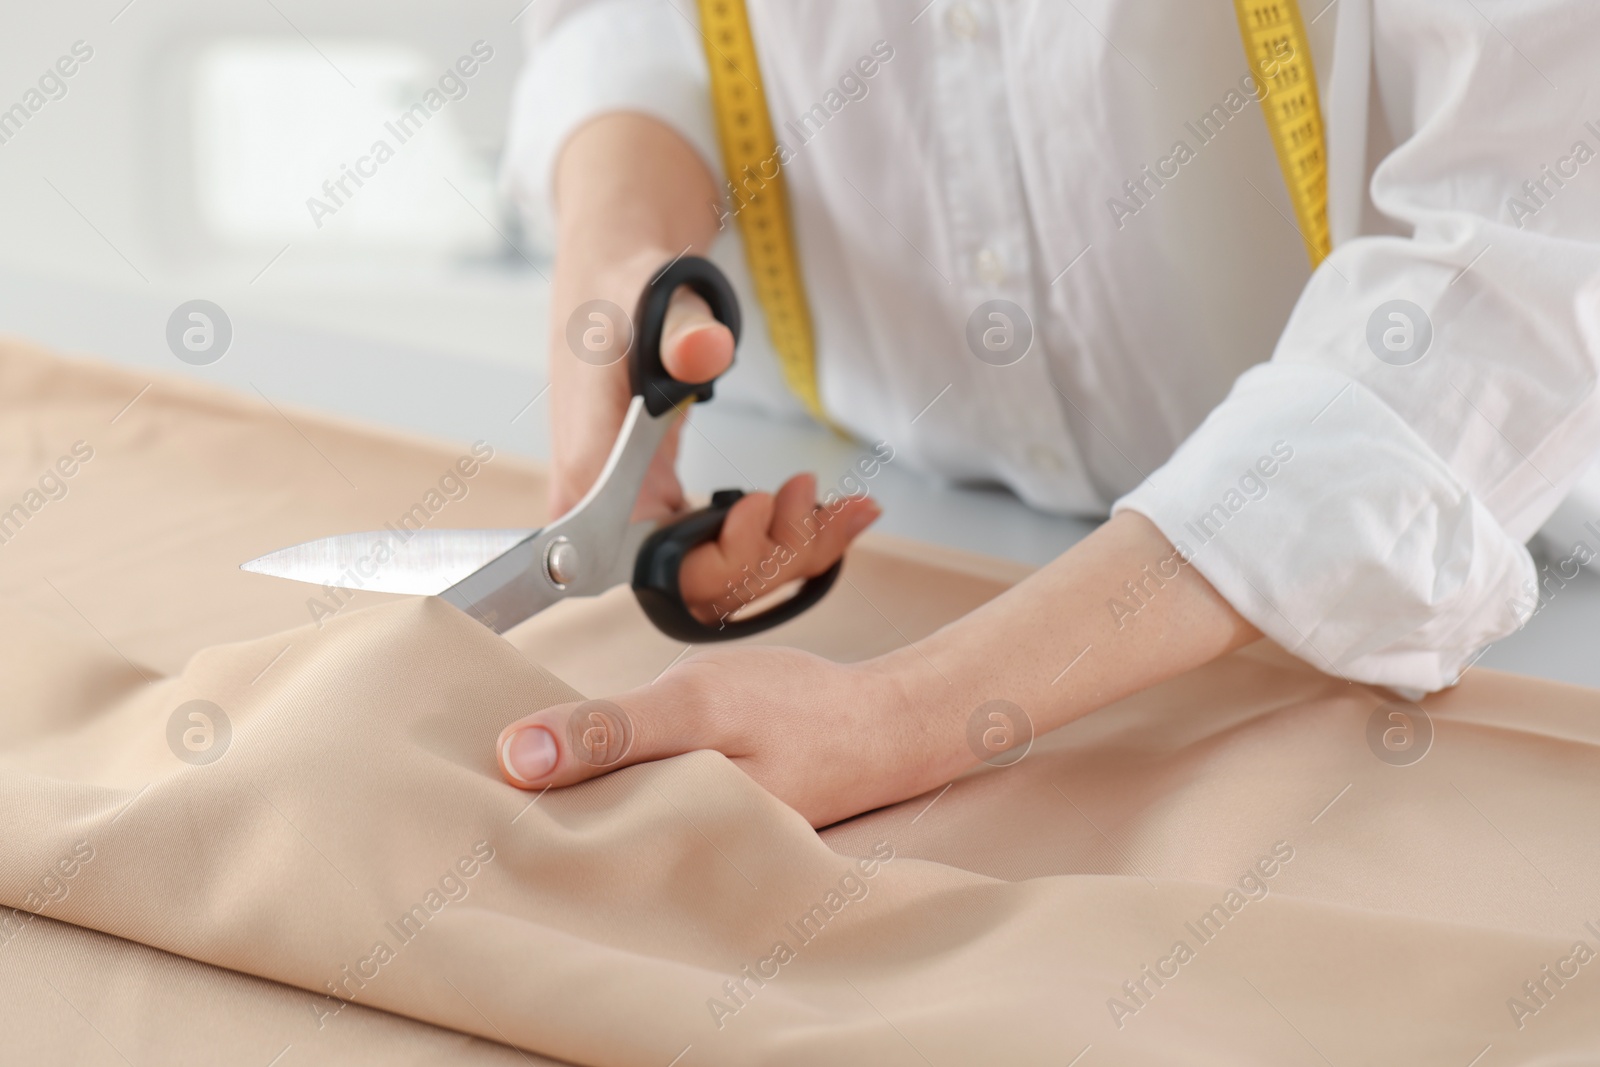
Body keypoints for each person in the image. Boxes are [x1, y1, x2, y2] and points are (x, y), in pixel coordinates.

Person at [488, 1, 1600, 827]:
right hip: (890, 466)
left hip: (1492, 581)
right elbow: (628, 22)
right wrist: (620, 253)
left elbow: (1503, 287)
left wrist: (911, 716)